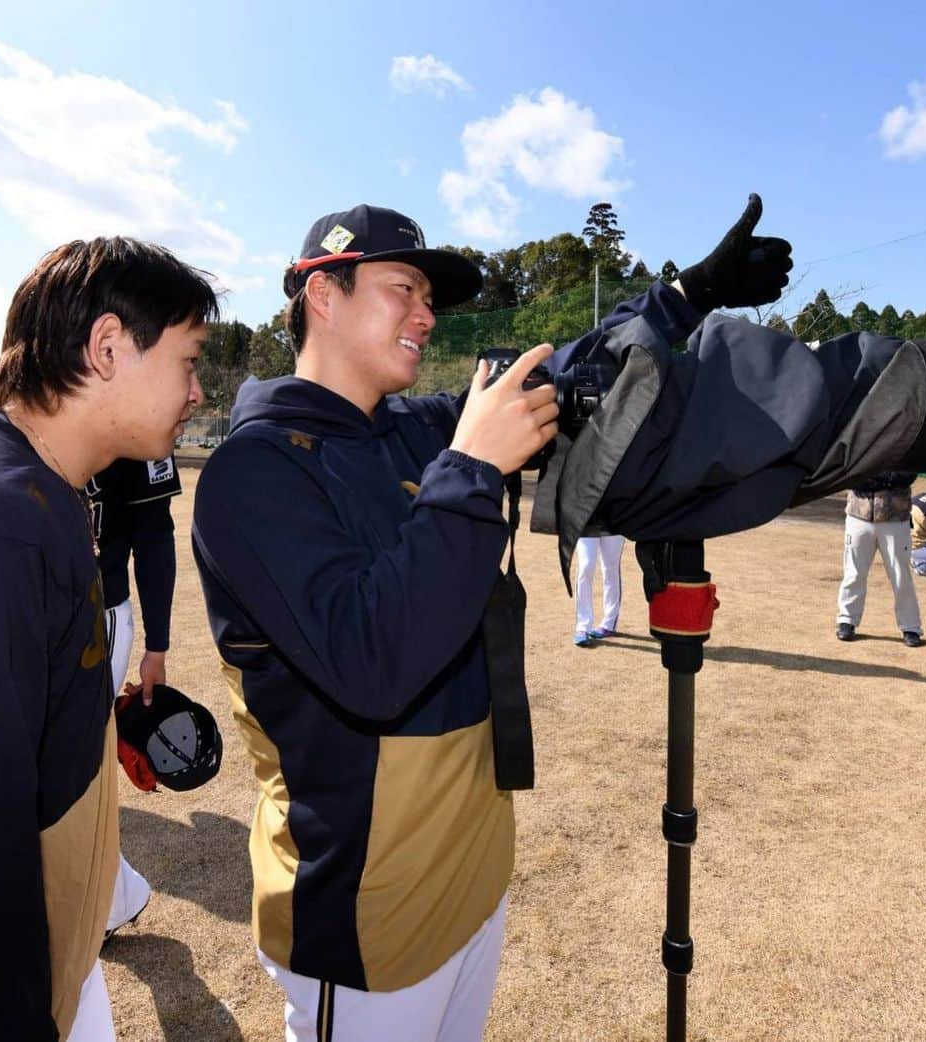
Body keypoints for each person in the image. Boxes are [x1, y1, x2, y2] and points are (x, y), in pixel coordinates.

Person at [191, 201, 788, 1041]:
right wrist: (471, 468)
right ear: (323, 293)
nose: (428, 313)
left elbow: (569, 367)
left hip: (471, 877)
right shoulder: (251, 473)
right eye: (405, 287)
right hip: (369, 916)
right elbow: (374, 665)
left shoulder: (414, 428)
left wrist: (687, 295)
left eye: (431, 297)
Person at [0, 236, 217, 1042]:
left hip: (52, 959)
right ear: (107, 348)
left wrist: (95, 726)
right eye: (188, 361)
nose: (200, 392)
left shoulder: (33, 488)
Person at [86, 455, 182, 941]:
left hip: (95, 611)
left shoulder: (140, 411)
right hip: (22, 600)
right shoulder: (16, 393)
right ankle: (117, 896)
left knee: (71, 768)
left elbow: (154, 535)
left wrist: (157, 647)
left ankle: (105, 905)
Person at [835, 471, 923, 646]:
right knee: (854, 573)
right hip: (858, 515)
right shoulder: (859, 444)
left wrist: (883, 480)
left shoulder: (904, 444)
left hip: (895, 518)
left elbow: (909, 473)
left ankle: (910, 627)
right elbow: (847, 470)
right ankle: (847, 620)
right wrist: (864, 480)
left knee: (901, 576)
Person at [573, 529, 625, 647]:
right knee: (585, 567)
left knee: (611, 568)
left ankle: (609, 623)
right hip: (587, 517)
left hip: (613, 519)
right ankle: (583, 626)